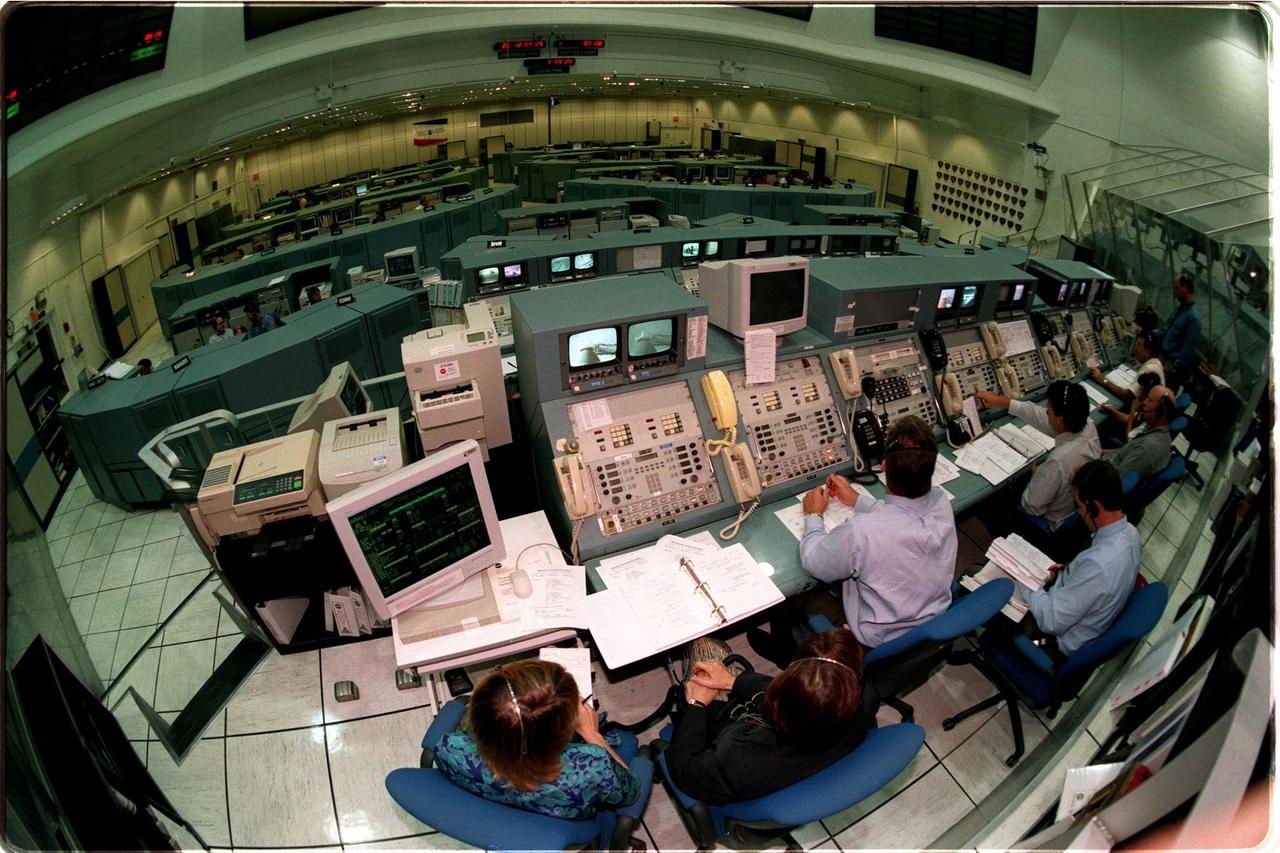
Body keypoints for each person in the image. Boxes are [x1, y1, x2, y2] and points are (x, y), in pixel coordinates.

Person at [792, 415, 956, 650]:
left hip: (880, 639)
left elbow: (814, 563)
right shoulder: (941, 502)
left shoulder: (861, 531)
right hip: (933, 619)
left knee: (796, 599)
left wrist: (813, 515)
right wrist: (857, 500)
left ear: (884, 465)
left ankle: (785, 647)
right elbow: (902, 517)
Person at [664, 629, 875, 805]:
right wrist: (734, 682)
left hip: (731, 737)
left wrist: (696, 706)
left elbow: (685, 772)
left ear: (776, 700)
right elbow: (813, 697)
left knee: (703, 644)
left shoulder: (738, 760)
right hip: (787, 755)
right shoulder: (863, 706)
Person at [433, 661, 640, 820]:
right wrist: (593, 736)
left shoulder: (448, 748)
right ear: (563, 736)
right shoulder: (594, 767)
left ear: (476, 718)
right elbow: (632, 792)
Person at [1022, 460, 1142, 660]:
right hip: (1072, 609)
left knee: (986, 577)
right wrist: (1066, 571)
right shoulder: (1131, 534)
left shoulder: (1098, 565)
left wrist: (1025, 581)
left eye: (1079, 506)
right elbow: (1095, 584)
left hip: (1049, 640)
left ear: (1094, 507)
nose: (1078, 512)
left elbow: (1051, 621)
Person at [974, 380, 1100, 532]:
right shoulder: (1088, 425)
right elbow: (1042, 418)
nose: (1046, 412)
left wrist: (1036, 478)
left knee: (987, 500)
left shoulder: (1058, 460)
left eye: (1048, 410)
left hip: (1044, 524)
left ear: (1060, 420)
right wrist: (1002, 402)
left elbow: (1031, 507)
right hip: (1071, 506)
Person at [1105, 384, 1176, 482]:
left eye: (1150, 400)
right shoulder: (1160, 433)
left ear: (1160, 412)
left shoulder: (1145, 448)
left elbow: (1114, 481)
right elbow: (1126, 452)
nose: (1144, 403)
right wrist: (1101, 451)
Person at [1089, 330, 1164, 409]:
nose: (1135, 348)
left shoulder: (1149, 368)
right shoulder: (1156, 363)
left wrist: (1102, 380)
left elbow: (1126, 395)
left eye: (1138, 345)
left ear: (1147, 351)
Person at [1153, 273, 1201, 391]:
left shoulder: (1193, 318)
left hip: (1169, 364)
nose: (1174, 292)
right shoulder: (1180, 310)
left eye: (1177, 288)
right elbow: (1165, 329)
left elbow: (1186, 352)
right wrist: (1150, 334)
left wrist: (1172, 371)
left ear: (1185, 288)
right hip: (1161, 357)